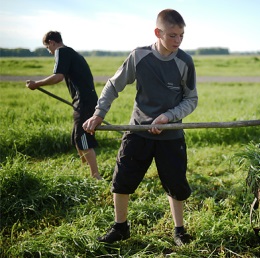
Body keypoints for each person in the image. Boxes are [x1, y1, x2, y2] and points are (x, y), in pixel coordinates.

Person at [83, 9, 198, 246]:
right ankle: (120, 227)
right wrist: (98, 113)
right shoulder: (139, 56)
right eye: (172, 36)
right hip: (137, 131)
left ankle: (179, 231)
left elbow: (191, 99)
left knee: (176, 185)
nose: (177, 41)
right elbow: (113, 86)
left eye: (182, 36)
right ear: (158, 32)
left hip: (170, 134)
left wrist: (169, 116)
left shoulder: (184, 62)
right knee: (121, 180)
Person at [26, 31, 102, 180]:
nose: (49, 51)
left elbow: (58, 77)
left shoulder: (61, 51)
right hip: (83, 100)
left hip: (84, 101)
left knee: (82, 137)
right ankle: (85, 170)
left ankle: (95, 176)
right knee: (76, 137)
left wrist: (37, 84)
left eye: (48, 47)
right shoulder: (71, 52)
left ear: (52, 42)